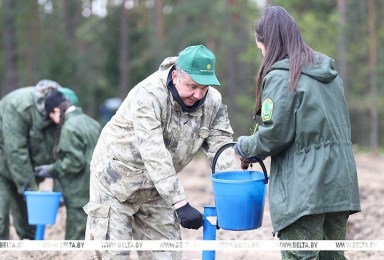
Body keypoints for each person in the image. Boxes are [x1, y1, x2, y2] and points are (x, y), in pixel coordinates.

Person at [84, 45, 236, 259]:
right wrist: (180, 203)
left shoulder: (213, 102)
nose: (198, 94)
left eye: (204, 88)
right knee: (113, 255)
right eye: (192, 86)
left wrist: (230, 198)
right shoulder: (148, 95)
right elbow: (153, 151)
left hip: (158, 189)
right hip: (115, 184)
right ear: (175, 75)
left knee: (166, 255)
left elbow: (221, 147)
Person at [233, 6, 361, 260]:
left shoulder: (282, 76)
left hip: (305, 189)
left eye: (260, 48)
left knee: (299, 256)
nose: (262, 54)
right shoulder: (330, 75)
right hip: (340, 185)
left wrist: (244, 147)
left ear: (266, 41)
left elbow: (274, 135)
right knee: (331, 257)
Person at [34, 90, 101, 240]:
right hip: (97, 190)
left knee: (75, 241)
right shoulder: (92, 122)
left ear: (57, 110)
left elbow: (74, 162)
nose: (53, 120)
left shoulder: (69, 127)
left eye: (51, 115)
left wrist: (50, 170)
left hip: (78, 194)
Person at [0, 79, 61, 240]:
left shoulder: (57, 107)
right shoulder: (17, 106)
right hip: (3, 165)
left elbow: (58, 150)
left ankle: (30, 250)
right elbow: (16, 152)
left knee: (28, 224)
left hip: (27, 170)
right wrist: (32, 191)